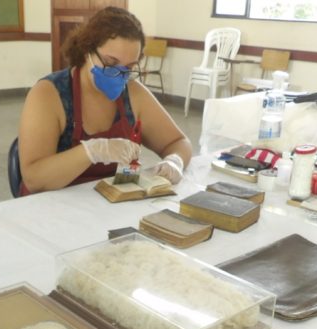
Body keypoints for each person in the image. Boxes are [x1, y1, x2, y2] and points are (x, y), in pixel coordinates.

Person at [17, 7, 192, 195]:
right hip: (46, 206)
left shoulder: (133, 94)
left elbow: (178, 141)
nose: (119, 74)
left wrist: (174, 161)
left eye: (129, 67)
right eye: (110, 63)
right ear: (87, 50)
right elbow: (33, 178)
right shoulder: (49, 94)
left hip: (104, 202)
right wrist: (93, 151)